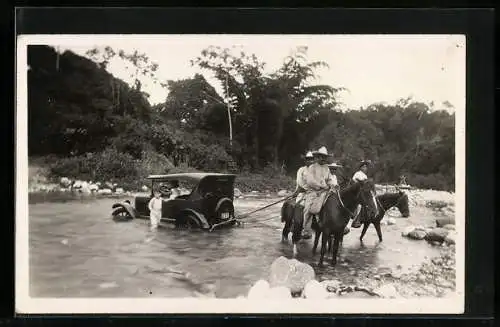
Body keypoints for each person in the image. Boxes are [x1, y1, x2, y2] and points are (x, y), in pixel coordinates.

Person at [302, 146, 338, 239]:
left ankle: (336, 225)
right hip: (314, 191)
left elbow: (329, 179)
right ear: (317, 157)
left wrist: (333, 184)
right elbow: (310, 181)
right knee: (308, 208)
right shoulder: (312, 167)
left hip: (326, 191)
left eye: (325, 157)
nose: (323, 159)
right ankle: (306, 229)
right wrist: (321, 186)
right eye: (321, 156)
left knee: (336, 202)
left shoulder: (326, 168)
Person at [350, 160, 371, 228]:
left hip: (363, 192)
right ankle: (356, 220)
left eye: (366, 167)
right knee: (359, 205)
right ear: (361, 168)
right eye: (364, 167)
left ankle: (365, 218)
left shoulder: (365, 175)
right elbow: (353, 182)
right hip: (357, 191)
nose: (365, 168)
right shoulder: (357, 174)